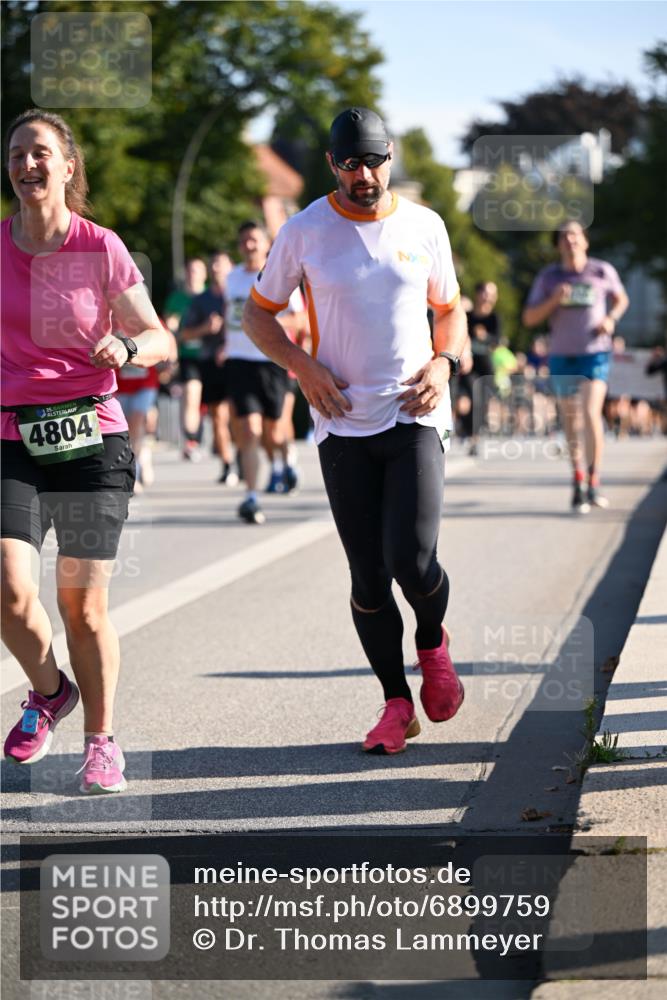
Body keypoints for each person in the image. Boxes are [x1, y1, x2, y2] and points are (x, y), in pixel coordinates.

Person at [243, 107, 467, 753]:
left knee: (411, 560)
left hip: (413, 412)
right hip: (341, 424)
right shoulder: (304, 230)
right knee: (367, 577)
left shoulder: (423, 224)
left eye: (372, 160)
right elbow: (258, 316)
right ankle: (395, 703)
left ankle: (432, 642)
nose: (362, 174)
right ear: (331, 165)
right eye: (349, 163)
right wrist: (302, 366)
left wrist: (443, 361)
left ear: (390, 155)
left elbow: (448, 311)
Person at [1, 110, 171, 792]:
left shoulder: (100, 248)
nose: (26, 164)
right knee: (11, 594)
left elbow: (158, 337)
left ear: (68, 167)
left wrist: (127, 346)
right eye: (16, 154)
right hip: (13, 435)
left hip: (91, 439)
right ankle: (49, 692)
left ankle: (102, 742)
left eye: (40, 152)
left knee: (81, 605)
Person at [523, 220, 629, 512]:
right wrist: (554, 300)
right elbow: (530, 318)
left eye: (574, 234)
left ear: (585, 240)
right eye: (563, 236)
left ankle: (595, 479)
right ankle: (578, 479)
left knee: (590, 410)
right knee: (571, 419)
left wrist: (611, 319)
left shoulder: (601, 270)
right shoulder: (549, 277)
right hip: (562, 356)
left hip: (594, 353)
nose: (569, 239)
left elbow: (621, 299)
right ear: (557, 244)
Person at [225, 221, 304, 523]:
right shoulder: (232, 278)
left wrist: (265, 328)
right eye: (244, 240)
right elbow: (229, 317)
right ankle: (251, 497)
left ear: (265, 243)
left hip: (272, 361)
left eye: (254, 240)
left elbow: (300, 321)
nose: (249, 246)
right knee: (249, 431)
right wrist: (225, 344)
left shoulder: (277, 275)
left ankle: (287, 461)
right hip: (239, 362)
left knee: (275, 431)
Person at [180, 251, 238, 484]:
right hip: (209, 363)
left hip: (238, 361)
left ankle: (243, 454)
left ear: (231, 267)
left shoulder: (241, 294)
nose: (216, 268)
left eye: (221, 264)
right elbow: (184, 334)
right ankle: (227, 464)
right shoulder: (200, 300)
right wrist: (205, 328)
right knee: (218, 417)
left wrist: (230, 345)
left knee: (240, 416)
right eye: (213, 263)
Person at [164, 257, 208, 461]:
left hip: (212, 356)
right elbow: (168, 325)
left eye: (197, 270)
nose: (193, 274)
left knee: (215, 407)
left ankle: (228, 452)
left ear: (204, 274)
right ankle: (191, 441)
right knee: (190, 395)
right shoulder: (177, 299)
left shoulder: (212, 295)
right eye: (190, 270)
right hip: (188, 356)